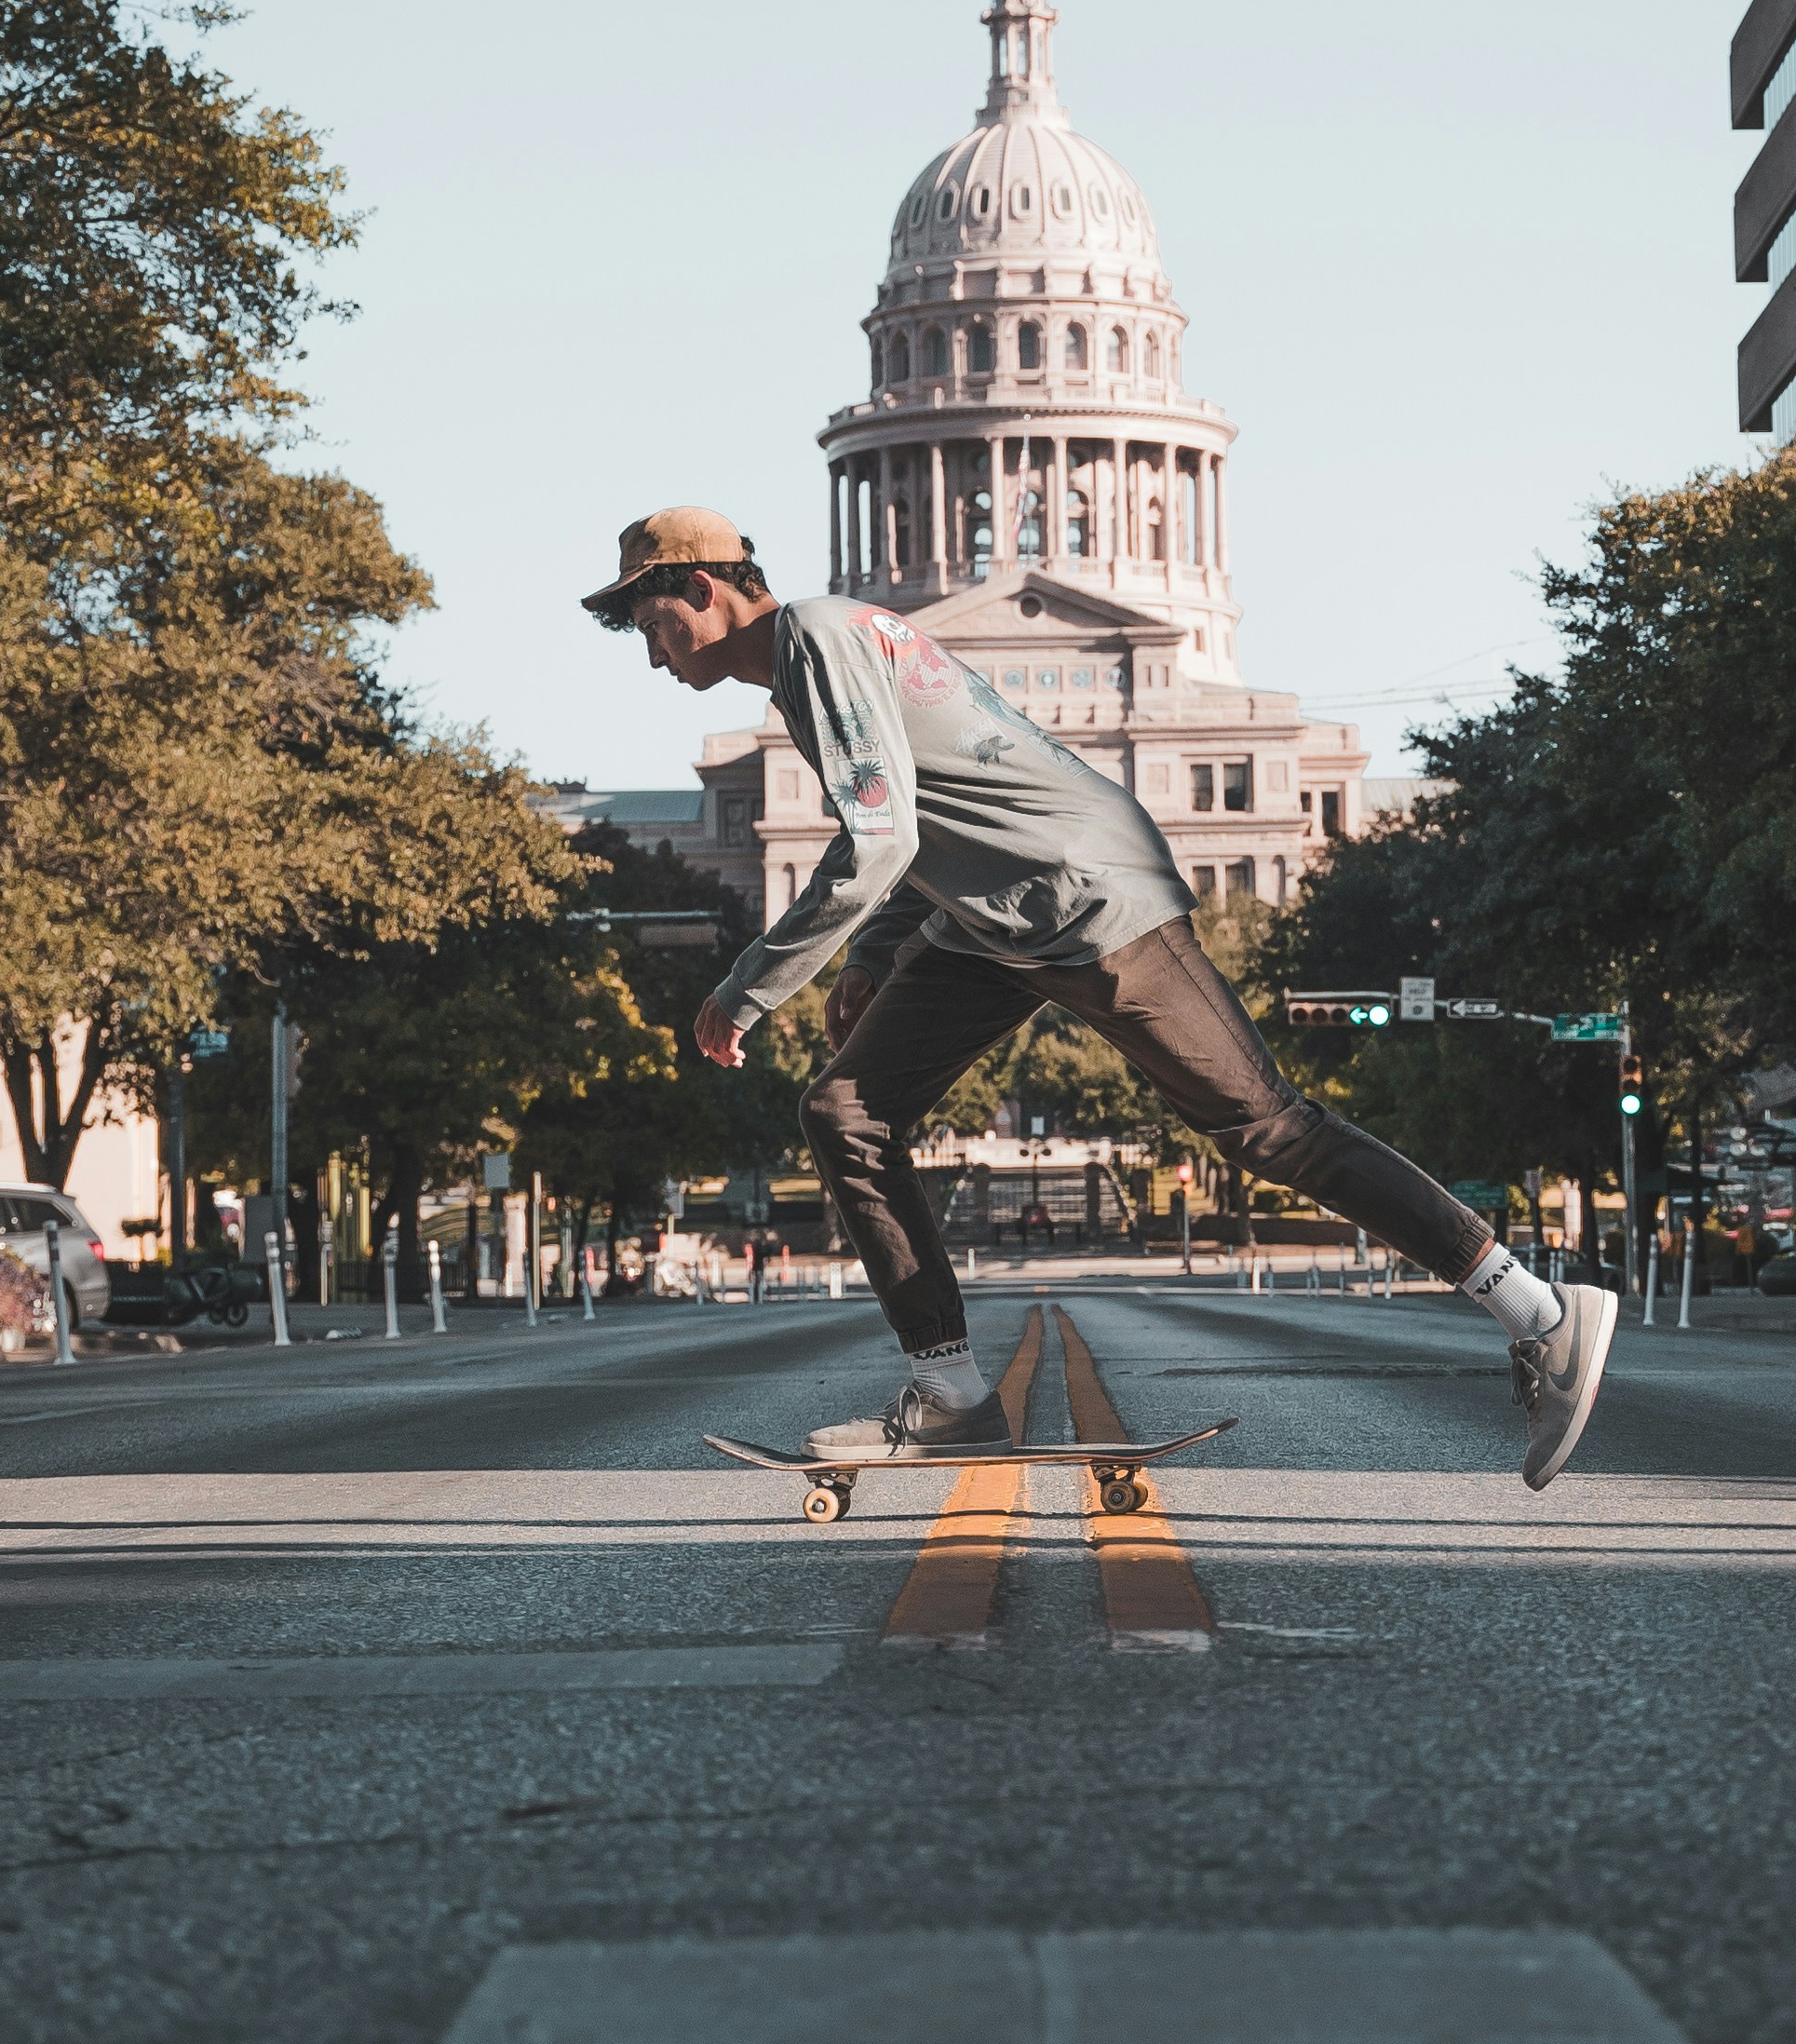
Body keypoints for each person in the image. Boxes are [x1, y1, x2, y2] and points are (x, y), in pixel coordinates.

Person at [583, 507, 1616, 1487]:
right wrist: (869, 959)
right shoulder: (819, 657)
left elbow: (882, 838)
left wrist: (747, 985)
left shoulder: (817, 637)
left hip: (1083, 893)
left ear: (706, 590)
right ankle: (948, 1393)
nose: (650, 652)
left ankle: (1535, 1309)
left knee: (1268, 1127)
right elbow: (932, 817)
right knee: (845, 1112)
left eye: (651, 622)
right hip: (990, 917)